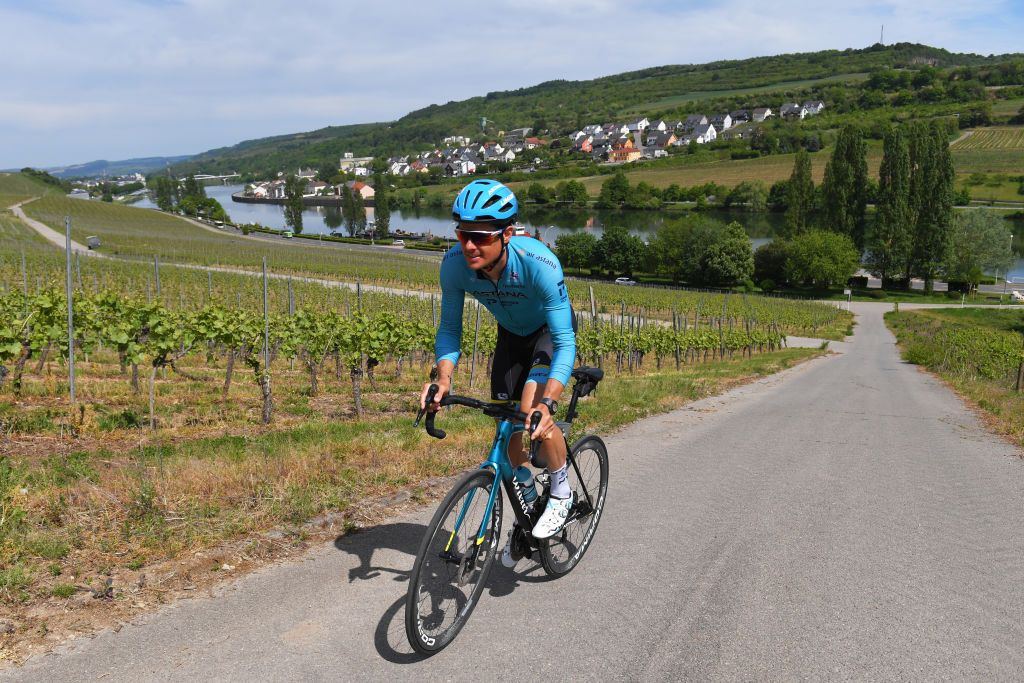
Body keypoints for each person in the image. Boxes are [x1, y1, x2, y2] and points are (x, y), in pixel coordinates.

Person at [419, 178, 577, 564]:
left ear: (507, 233)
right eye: (461, 234)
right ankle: (528, 503)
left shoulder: (539, 264)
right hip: (510, 337)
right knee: (506, 432)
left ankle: (561, 492)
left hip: (548, 335)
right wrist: (443, 379)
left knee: (530, 414)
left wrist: (550, 402)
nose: (469, 245)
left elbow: (565, 340)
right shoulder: (455, 265)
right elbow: (450, 330)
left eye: (479, 236)